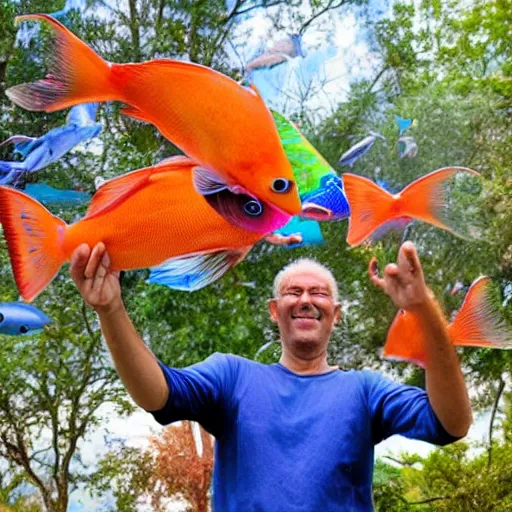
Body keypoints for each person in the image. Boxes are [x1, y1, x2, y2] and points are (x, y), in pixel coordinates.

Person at [69, 240, 472, 511]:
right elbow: (156, 393)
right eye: (293, 292)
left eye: (319, 294)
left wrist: (423, 310)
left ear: (336, 314)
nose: (306, 300)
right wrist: (111, 310)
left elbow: (451, 423)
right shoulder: (232, 376)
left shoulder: (364, 390)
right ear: (274, 310)